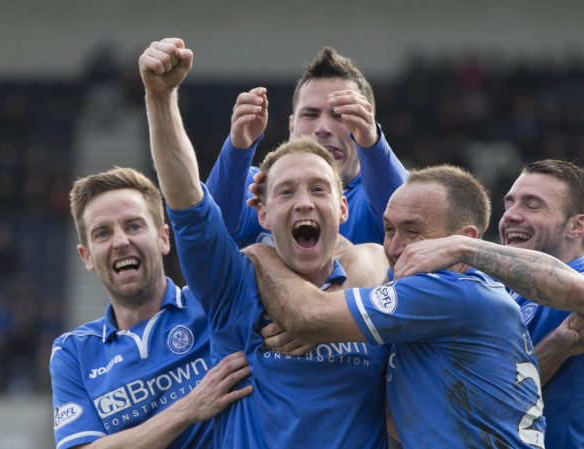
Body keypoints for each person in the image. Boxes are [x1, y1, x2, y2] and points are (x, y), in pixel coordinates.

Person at [140, 38, 391, 448]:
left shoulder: (381, 293)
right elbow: (186, 195)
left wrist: (328, 310)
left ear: (344, 209)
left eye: (318, 189)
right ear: (261, 213)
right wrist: (161, 98)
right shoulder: (233, 287)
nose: (304, 202)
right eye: (286, 192)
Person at [246, 164, 548, 448]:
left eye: (412, 232)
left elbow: (306, 315)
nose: (394, 247)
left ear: (462, 242)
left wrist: (261, 253)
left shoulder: (445, 293)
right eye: (389, 229)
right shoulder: (455, 291)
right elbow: (373, 257)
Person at [392, 159, 584, 449]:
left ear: (577, 226)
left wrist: (463, 246)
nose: (511, 216)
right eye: (509, 204)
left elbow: (582, 294)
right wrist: (556, 348)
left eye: (532, 205)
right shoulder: (492, 295)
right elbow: (492, 401)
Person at [49, 167, 253, 449]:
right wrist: (188, 409)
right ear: (87, 256)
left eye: (134, 226)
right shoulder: (74, 352)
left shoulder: (213, 304)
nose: (121, 242)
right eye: (103, 233)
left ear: (164, 238)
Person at [206, 46, 407, 248]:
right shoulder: (259, 186)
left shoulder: (376, 195)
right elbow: (210, 230)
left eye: (340, 115)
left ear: (367, 127)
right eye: (310, 115)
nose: (322, 128)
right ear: (292, 127)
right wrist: (237, 149)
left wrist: (373, 145)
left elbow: (404, 212)